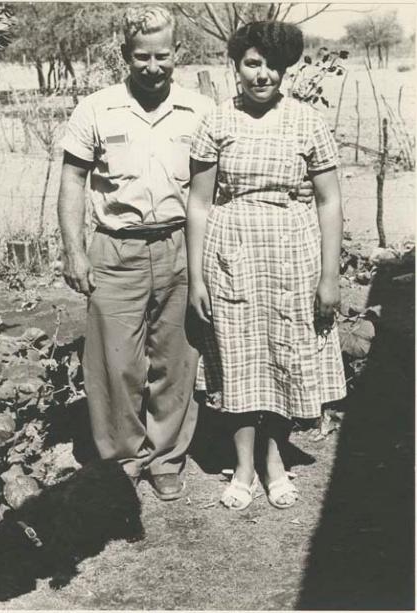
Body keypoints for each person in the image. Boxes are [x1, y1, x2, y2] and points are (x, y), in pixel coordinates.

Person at [58, 6, 314, 501]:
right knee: (115, 365)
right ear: (124, 55)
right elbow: (72, 179)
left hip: (182, 245)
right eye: (141, 57)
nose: (152, 67)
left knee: (177, 360)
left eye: (162, 56)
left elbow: (219, 186)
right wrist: (74, 251)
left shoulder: (202, 111)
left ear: (177, 53)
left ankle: (167, 457)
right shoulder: (95, 108)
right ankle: (124, 461)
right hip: (116, 245)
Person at [186, 21, 346, 511]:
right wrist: (196, 276)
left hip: (292, 253)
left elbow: (329, 201)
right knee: (239, 360)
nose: (263, 75)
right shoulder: (216, 121)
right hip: (231, 253)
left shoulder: (307, 121)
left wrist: (329, 274)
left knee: (283, 357)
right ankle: (243, 468)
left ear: (286, 69)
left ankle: (275, 462)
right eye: (253, 63)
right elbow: (198, 202)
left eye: (273, 65)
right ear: (236, 66)